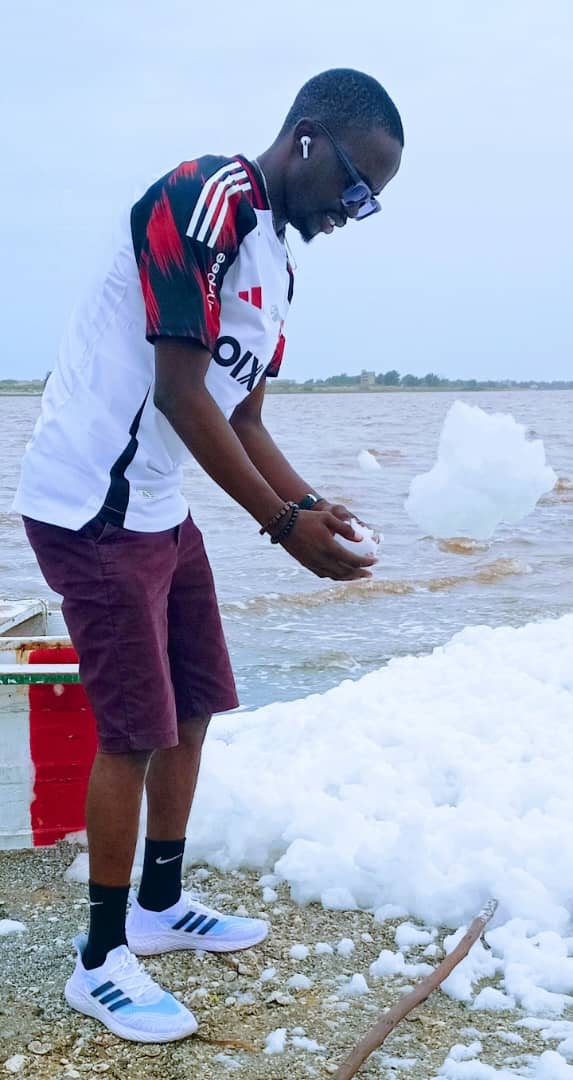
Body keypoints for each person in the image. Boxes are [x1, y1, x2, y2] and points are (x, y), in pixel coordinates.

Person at [13, 67, 403, 1043]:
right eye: (354, 185)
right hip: (91, 505)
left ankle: (160, 904)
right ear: (306, 138)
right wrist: (280, 527)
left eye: (372, 202)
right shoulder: (200, 199)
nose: (355, 211)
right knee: (132, 731)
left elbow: (244, 415)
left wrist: (308, 503)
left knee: (194, 701)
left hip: (159, 503)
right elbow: (181, 391)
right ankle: (101, 959)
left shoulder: (279, 265)